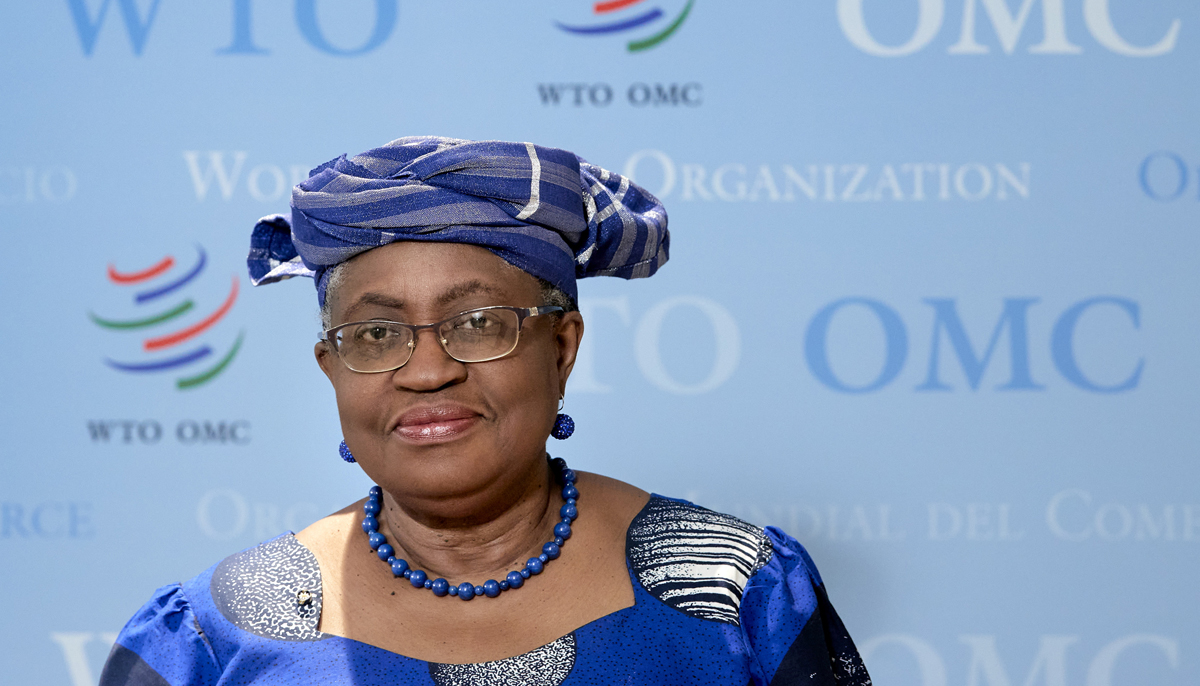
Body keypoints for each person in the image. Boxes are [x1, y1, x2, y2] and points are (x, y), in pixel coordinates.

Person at [99, 136, 872, 686]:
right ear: (332, 371)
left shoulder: (734, 589)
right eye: (375, 333)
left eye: (478, 324)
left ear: (563, 350)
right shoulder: (212, 637)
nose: (428, 370)